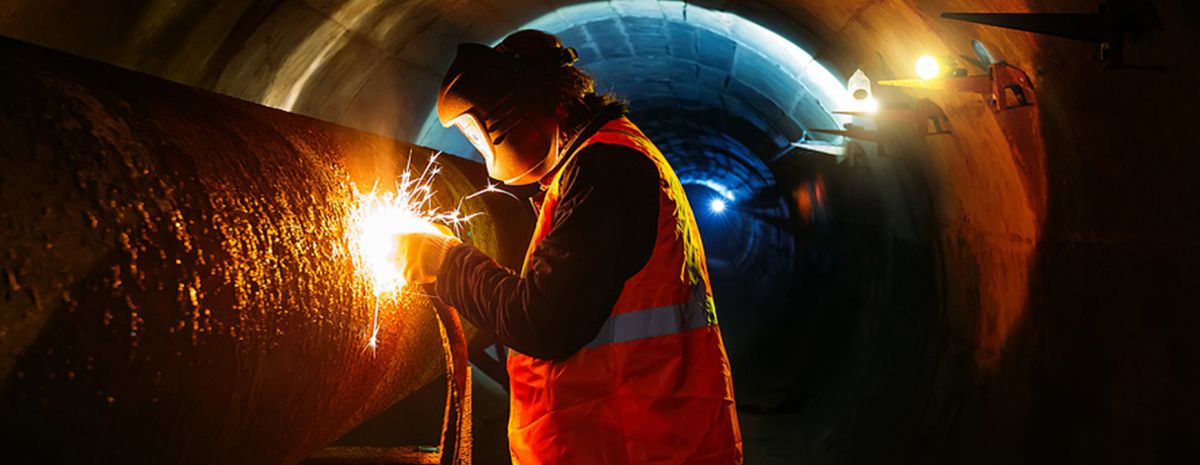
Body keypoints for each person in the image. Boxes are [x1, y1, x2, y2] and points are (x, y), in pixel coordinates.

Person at [396, 30, 742, 465]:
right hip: (640, 437)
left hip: (633, 444)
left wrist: (445, 261)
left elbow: (542, 321)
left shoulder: (606, 170)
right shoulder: (606, 157)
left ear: (540, 107)